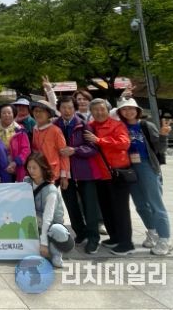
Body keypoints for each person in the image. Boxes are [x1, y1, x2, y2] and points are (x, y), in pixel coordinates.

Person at [117, 98, 173, 255]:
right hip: (130, 168)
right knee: (140, 204)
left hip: (147, 166)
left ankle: (165, 239)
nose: (128, 112)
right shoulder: (120, 126)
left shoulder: (146, 126)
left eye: (131, 108)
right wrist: (122, 95)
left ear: (137, 110)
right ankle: (152, 232)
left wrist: (163, 135)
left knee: (155, 204)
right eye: (124, 109)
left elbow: (160, 148)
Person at [53, 96, 104, 254]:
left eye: (70, 107)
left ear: (74, 109)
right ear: (59, 109)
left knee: (89, 207)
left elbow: (93, 148)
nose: (67, 111)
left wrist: (75, 150)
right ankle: (80, 233)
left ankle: (93, 238)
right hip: (64, 173)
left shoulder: (83, 125)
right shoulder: (54, 126)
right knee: (71, 205)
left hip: (84, 173)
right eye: (63, 107)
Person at [86, 98, 134, 255]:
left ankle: (126, 243)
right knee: (106, 208)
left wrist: (100, 140)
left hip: (117, 173)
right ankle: (114, 237)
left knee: (121, 210)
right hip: (100, 175)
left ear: (108, 110)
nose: (99, 112)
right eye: (95, 110)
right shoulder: (90, 126)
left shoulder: (117, 125)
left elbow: (124, 143)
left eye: (102, 109)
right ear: (91, 112)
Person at [24, 152, 74, 268]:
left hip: (51, 226)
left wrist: (44, 244)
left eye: (34, 168)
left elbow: (48, 219)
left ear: (43, 168)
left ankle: (56, 253)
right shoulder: (26, 182)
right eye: (29, 167)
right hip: (35, 223)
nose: (31, 171)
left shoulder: (51, 190)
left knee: (57, 230)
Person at [31, 100, 70, 187]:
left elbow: (64, 154)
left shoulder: (56, 130)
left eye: (42, 111)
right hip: (38, 173)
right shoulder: (34, 129)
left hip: (53, 173)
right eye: (36, 111)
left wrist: (64, 177)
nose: (38, 113)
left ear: (48, 114)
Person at [0, 104, 30, 182]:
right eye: (4, 113)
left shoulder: (20, 130)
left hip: (17, 167)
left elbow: (26, 149)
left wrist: (15, 162)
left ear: (14, 114)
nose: (7, 115)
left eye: (9, 113)